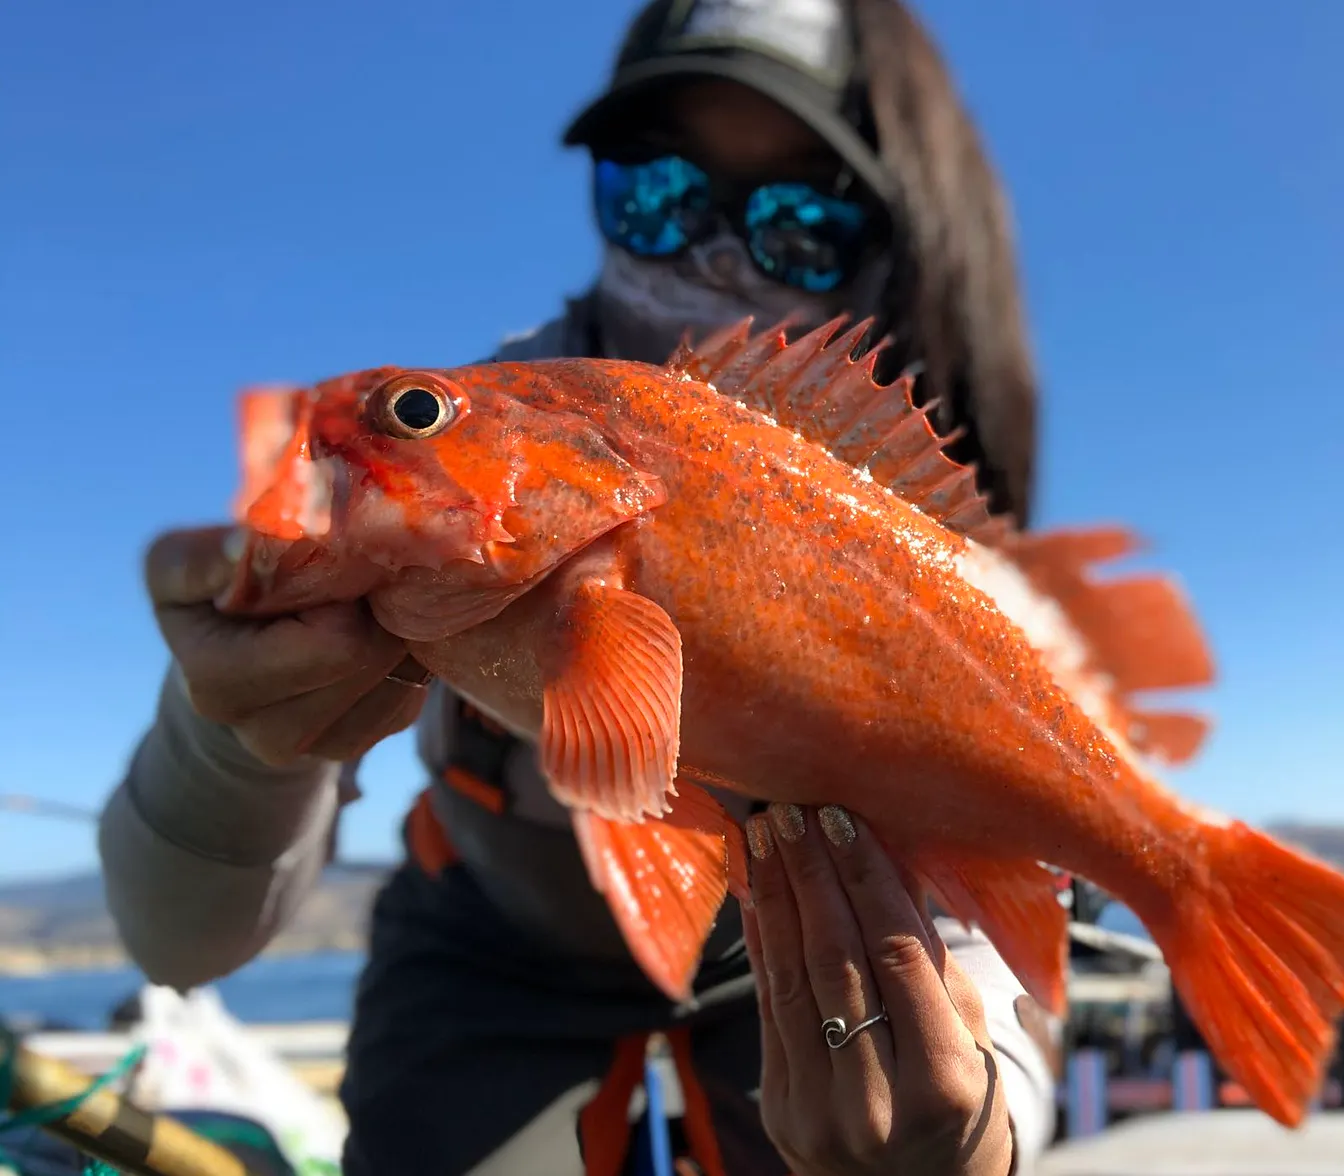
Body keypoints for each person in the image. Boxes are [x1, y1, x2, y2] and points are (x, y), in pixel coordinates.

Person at [98, 2, 1058, 1174]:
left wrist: (983, 1125)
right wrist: (224, 742)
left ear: (884, 246)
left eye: (798, 222)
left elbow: (994, 851)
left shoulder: (902, 506)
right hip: (486, 947)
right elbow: (179, 948)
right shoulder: (464, 432)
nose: (711, 259)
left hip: (798, 960)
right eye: (653, 193)